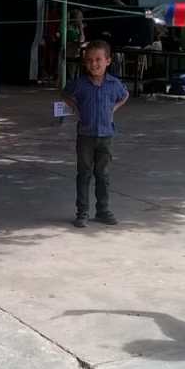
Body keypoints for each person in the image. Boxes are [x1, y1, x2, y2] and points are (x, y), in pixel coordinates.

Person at [61, 40, 129, 229]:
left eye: (98, 59)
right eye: (89, 60)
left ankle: (103, 210)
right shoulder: (80, 84)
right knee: (84, 174)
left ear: (108, 61)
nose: (94, 64)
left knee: (103, 174)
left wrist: (113, 109)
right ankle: (82, 212)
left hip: (106, 137)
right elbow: (65, 93)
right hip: (85, 136)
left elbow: (125, 95)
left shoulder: (114, 84)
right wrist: (75, 107)